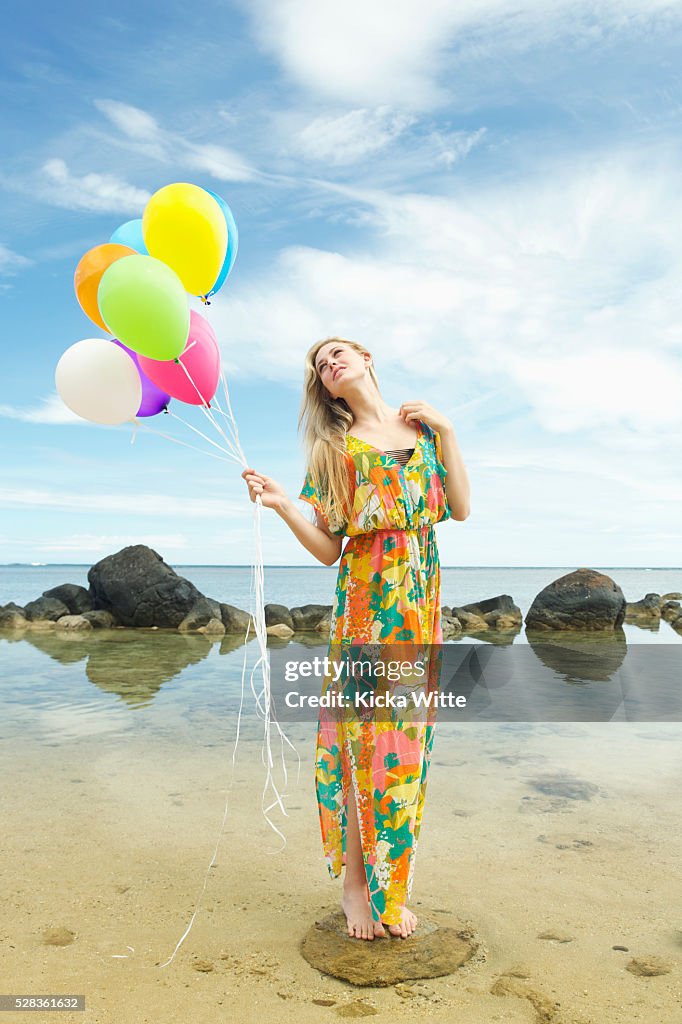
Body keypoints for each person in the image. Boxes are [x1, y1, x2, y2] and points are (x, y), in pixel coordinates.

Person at [242, 337, 470, 940]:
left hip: (419, 613)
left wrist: (448, 430)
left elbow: (462, 508)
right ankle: (354, 889)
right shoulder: (331, 449)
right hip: (366, 608)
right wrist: (284, 505)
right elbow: (327, 550)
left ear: (366, 359)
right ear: (324, 387)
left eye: (338, 353)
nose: (329, 364)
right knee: (358, 742)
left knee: (403, 751)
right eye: (320, 366)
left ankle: (391, 886)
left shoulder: (423, 429)